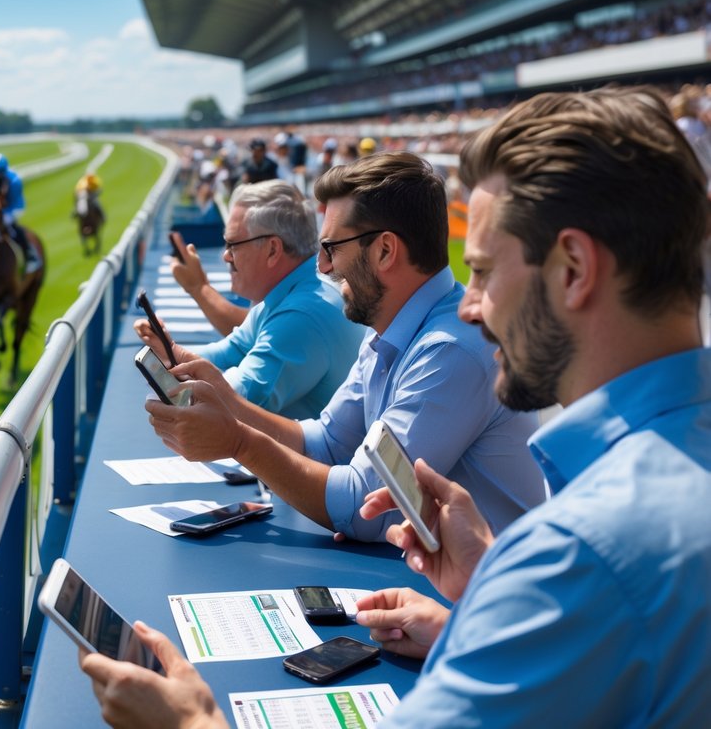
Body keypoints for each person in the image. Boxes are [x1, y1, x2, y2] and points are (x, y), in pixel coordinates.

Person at [82, 86, 711, 729]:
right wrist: (486, 609)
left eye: (488, 273)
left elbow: (363, 499)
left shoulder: (580, 550)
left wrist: (189, 723)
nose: (472, 306)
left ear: (574, 269)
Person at [146, 152, 545, 540]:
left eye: (332, 248)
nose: (322, 266)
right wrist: (228, 404)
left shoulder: (449, 351)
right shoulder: (390, 326)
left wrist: (237, 440)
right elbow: (327, 444)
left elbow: (364, 507)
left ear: (385, 250)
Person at [137, 181, 362, 419]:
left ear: (273, 250)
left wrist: (173, 371)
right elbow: (231, 351)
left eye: (232, 244)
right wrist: (172, 353)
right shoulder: (293, 290)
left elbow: (231, 403)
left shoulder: (301, 314)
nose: (225, 255)